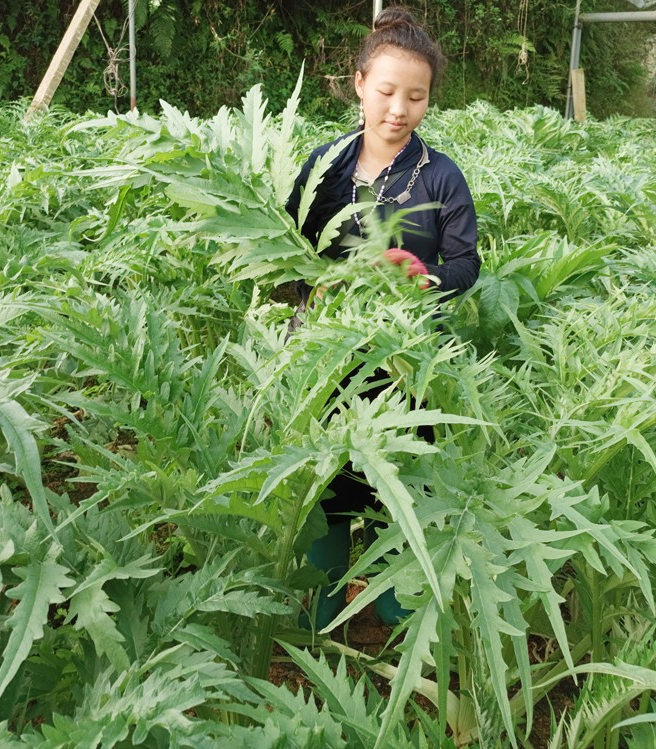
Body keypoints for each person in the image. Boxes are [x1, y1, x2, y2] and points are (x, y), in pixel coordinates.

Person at [283, 6, 480, 629]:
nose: (399, 109)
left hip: (404, 358)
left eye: (416, 97)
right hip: (326, 356)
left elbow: (466, 264)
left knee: (403, 484)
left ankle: (394, 611)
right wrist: (314, 289)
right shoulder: (324, 167)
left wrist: (423, 279)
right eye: (388, 91)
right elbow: (290, 251)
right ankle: (322, 605)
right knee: (325, 486)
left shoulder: (442, 176)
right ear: (360, 82)